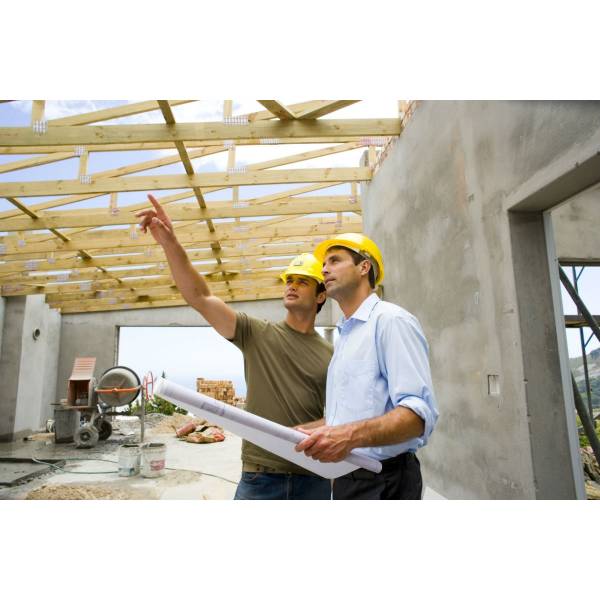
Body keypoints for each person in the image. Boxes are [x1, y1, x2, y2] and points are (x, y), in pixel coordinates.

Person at [136, 194, 333, 500]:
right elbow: (200, 297)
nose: (291, 285)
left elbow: (342, 414)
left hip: (315, 476)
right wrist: (170, 244)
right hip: (261, 476)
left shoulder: (332, 354)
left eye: (303, 281)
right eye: (289, 279)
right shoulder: (257, 333)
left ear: (321, 296)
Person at [295, 233, 438, 500]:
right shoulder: (347, 335)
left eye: (335, 260)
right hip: (348, 479)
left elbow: (418, 415)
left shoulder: (391, 321)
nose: (324, 269)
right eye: (324, 263)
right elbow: (353, 415)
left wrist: (348, 436)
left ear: (364, 267)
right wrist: (305, 432)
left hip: (385, 482)